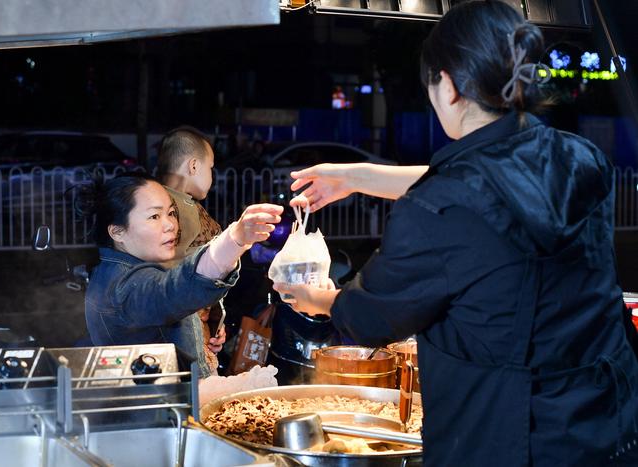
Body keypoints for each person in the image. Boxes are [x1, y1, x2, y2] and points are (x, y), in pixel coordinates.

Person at [273, 1, 638, 465]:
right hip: (609, 424)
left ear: (446, 86)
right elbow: (489, 186)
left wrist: (316, 300)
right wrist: (356, 176)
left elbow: (371, 317)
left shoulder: (439, 208)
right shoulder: (579, 157)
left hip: (506, 436)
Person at [81, 172, 283, 379]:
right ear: (117, 232)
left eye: (170, 213)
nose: (171, 225)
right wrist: (234, 239)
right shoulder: (124, 286)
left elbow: (168, 314)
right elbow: (171, 290)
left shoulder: (122, 270)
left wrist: (202, 340)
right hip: (166, 407)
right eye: (154, 216)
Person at [156, 126, 225, 375]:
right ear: (193, 166)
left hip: (188, 333)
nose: (212, 176)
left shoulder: (158, 203)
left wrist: (215, 322)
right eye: (211, 168)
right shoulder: (177, 209)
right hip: (185, 339)